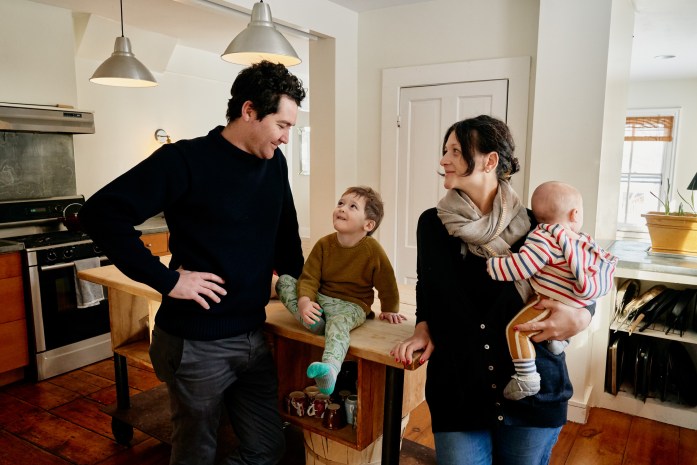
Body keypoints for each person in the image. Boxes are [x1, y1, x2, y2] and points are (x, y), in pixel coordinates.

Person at [78, 61, 306, 465]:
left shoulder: (274, 163)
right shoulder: (184, 160)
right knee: (196, 454)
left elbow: (285, 233)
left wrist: (303, 289)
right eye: (282, 125)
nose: (287, 138)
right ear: (249, 111)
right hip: (196, 342)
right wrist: (166, 280)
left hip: (254, 336)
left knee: (267, 448)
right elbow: (101, 213)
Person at [390, 115, 594, 465]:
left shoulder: (538, 225)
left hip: (534, 394)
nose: (443, 159)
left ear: (490, 160)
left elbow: (580, 280)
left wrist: (582, 317)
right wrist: (423, 326)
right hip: (458, 390)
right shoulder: (433, 224)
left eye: (455, 150)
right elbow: (428, 286)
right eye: (444, 150)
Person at [486, 181, 618, 401]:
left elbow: (524, 266)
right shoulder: (582, 240)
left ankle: (526, 377)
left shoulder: (543, 236)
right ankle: (559, 341)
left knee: (517, 330)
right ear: (575, 213)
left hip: (549, 299)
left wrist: (494, 265)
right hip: (576, 301)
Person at [276, 186, 405, 395]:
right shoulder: (324, 244)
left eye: (352, 206)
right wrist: (305, 301)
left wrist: (390, 308)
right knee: (283, 281)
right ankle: (314, 320)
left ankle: (330, 369)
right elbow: (308, 277)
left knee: (338, 326)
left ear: (368, 224)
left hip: (351, 305)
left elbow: (387, 282)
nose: (342, 208)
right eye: (340, 203)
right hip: (321, 300)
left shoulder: (372, 250)